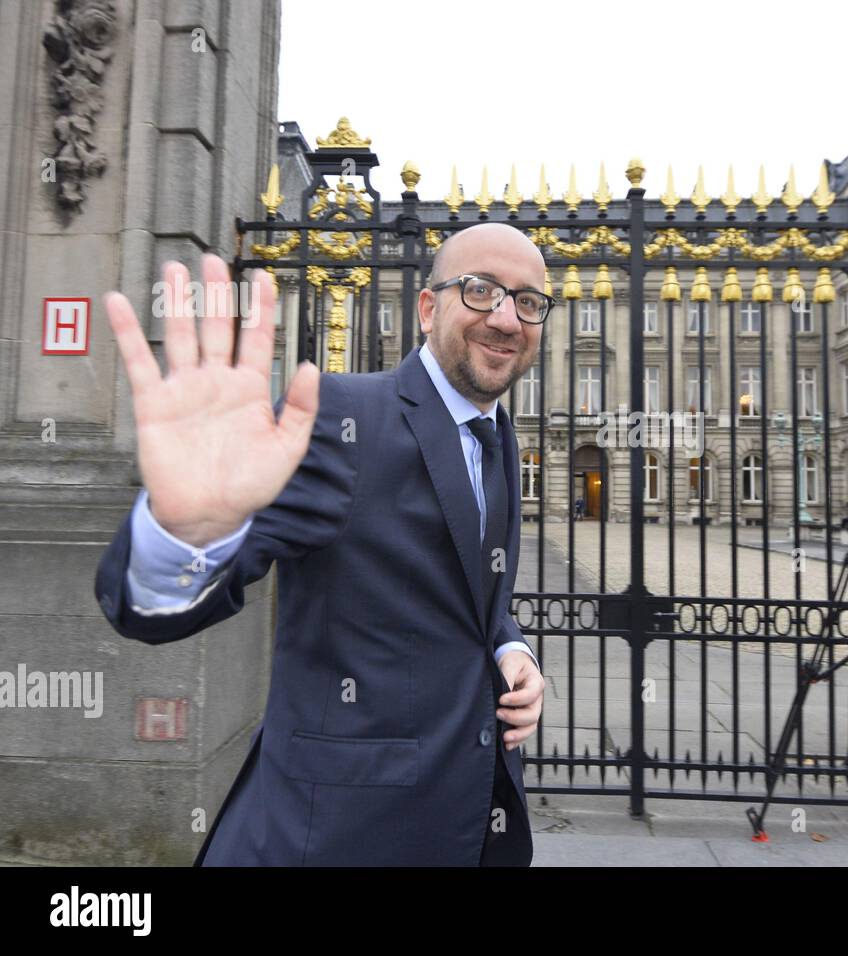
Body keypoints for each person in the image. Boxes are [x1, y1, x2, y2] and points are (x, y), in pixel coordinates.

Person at [94, 223, 549, 865]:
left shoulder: (496, 435)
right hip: (338, 836)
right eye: (480, 291)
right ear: (427, 307)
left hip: (469, 828)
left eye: (528, 301)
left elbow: (468, 591)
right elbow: (147, 611)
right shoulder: (343, 418)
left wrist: (508, 645)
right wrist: (187, 531)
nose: (506, 318)